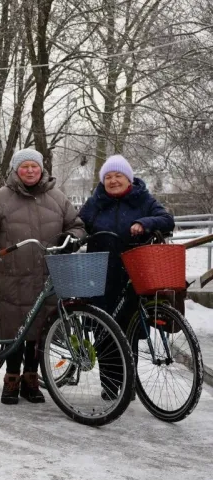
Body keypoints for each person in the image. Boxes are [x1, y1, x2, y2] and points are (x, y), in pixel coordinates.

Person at [0, 148, 86, 405]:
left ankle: (31, 378)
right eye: (24, 167)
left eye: (34, 166)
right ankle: (11, 378)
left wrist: (73, 239)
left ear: (41, 168)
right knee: (14, 329)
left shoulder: (57, 197)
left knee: (40, 329)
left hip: (46, 275)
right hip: (13, 277)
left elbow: (77, 225)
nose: (30, 170)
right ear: (16, 170)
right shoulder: (2, 198)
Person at [78, 154, 174, 399]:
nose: (113, 181)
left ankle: (129, 384)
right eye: (108, 177)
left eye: (118, 176)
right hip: (99, 273)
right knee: (102, 329)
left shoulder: (143, 200)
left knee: (128, 329)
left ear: (128, 179)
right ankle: (110, 385)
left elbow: (166, 219)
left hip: (133, 274)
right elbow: (78, 223)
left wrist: (144, 222)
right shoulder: (96, 202)